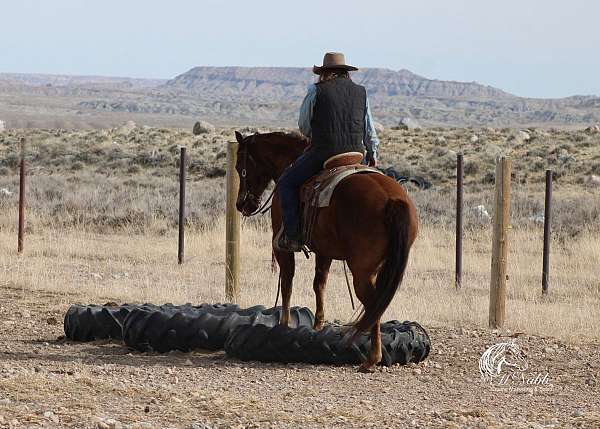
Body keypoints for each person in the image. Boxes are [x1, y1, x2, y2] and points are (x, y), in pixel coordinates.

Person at [276, 52, 380, 252]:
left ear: (324, 72)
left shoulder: (316, 90)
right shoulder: (361, 92)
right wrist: (372, 154)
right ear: (345, 72)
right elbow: (370, 131)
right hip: (356, 154)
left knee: (287, 183)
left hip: (325, 154)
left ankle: (293, 236)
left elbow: (304, 127)